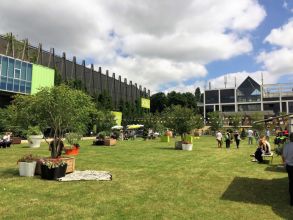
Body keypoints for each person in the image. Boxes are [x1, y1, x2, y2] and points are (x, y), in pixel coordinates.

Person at [282, 133, 293, 206]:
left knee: (291, 183)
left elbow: (283, 156)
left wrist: (284, 163)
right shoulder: (287, 145)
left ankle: (292, 201)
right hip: (290, 166)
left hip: (290, 167)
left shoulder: (287, 145)